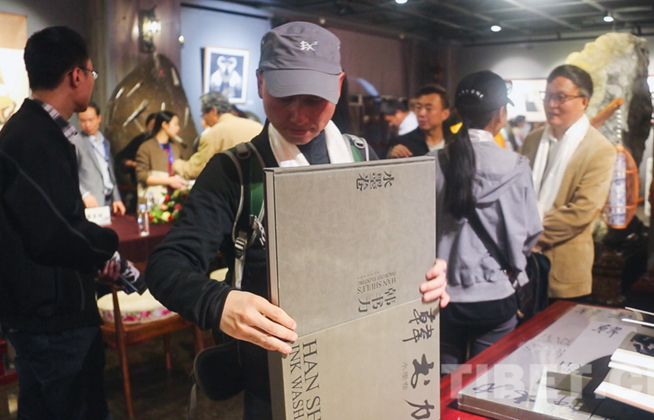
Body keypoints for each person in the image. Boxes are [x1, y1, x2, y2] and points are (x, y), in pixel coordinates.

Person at [145, 21, 449, 419]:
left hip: (365, 364)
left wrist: (425, 270)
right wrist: (219, 302)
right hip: (277, 382)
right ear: (260, 83)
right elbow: (167, 265)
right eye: (284, 95)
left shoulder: (360, 156)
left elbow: (390, 244)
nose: (298, 114)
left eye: (314, 98)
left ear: (338, 86)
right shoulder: (235, 172)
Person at [0, 26, 122, 420]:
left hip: (38, 314)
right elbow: (55, 233)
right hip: (54, 319)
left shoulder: (29, 131)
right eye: (92, 72)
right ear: (76, 76)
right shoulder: (35, 137)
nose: (91, 80)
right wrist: (107, 245)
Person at [434, 71, 542, 372]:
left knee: (443, 383)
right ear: (500, 115)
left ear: (457, 112)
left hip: (442, 298)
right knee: (487, 382)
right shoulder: (517, 167)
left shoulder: (432, 162)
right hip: (496, 295)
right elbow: (531, 231)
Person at [520, 65, 616, 300]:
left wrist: (525, 238)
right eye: (548, 96)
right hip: (521, 268)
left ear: (584, 101)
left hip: (563, 272)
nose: (551, 104)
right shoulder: (532, 140)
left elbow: (582, 211)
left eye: (561, 97)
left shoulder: (599, 149)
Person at [172, 92, 262, 180]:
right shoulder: (257, 126)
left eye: (203, 114)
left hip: (231, 187)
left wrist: (176, 164)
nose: (204, 119)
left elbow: (196, 170)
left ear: (213, 111)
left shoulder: (213, 134)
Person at [73, 101, 126, 214]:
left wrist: (116, 198)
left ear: (99, 118)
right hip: (90, 201)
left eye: (90, 120)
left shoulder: (105, 142)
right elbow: (70, 174)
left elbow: (110, 173)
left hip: (108, 200)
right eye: (82, 120)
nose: (87, 125)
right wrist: (84, 194)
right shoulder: (76, 142)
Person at [135, 110, 187, 203]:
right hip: (153, 199)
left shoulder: (175, 148)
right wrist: (168, 181)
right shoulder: (146, 147)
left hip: (173, 199)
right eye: (175, 124)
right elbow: (141, 176)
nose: (178, 128)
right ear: (164, 125)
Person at [388, 84, 451, 158]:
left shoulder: (455, 142)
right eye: (418, 107)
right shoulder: (403, 144)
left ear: (445, 114)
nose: (421, 113)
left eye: (428, 108)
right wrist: (392, 157)